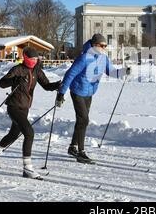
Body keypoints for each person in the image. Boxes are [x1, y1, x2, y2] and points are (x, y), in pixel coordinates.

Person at [55, 34, 131, 164]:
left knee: (81, 121)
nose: (104, 48)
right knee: (84, 120)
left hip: (89, 93)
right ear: (94, 45)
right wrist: (61, 93)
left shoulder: (103, 58)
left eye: (105, 46)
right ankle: (81, 152)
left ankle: (72, 147)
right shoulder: (84, 58)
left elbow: (111, 71)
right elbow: (70, 74)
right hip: (78, 91)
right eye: (102, 45)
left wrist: (123, 72)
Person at [0, 47, 62, 180]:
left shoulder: (37, 71)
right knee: (29, 132)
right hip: (14, 106)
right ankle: (27, 168)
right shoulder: (18, 69)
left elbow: (46, 85)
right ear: (26, 58)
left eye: (36, 59)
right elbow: (2, 83)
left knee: (13, 134)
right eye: (32, 59)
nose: (34, 61)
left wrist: (57, 85)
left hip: (25, 107)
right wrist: (15, 80)